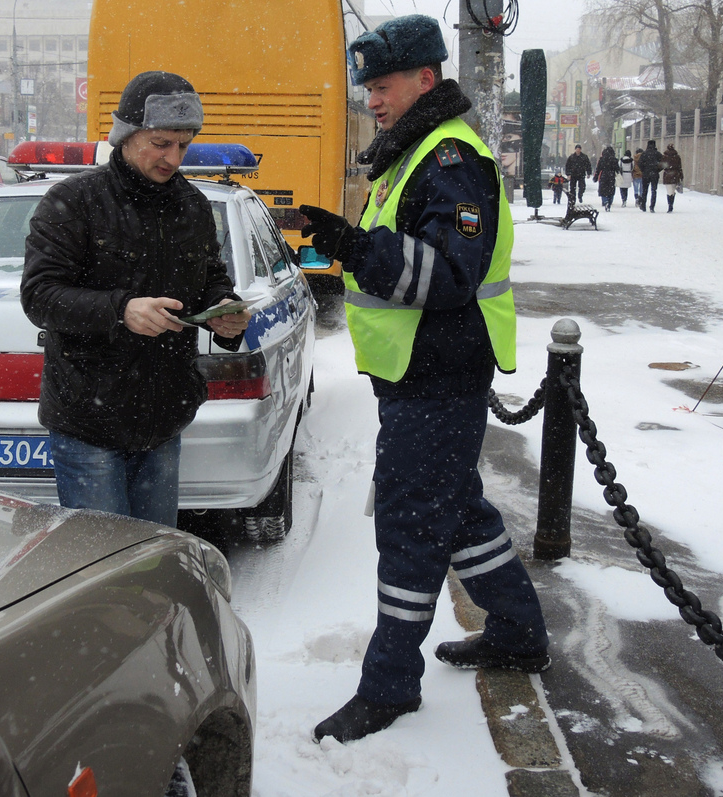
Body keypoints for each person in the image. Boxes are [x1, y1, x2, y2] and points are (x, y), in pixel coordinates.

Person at [298, 14, 549, 744]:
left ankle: (389, 685)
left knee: (411, 527)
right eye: (367, 87)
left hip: (439, 378)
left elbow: (444, 275)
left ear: (426, 80)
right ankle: (517, 631)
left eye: (382, 85)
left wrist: (354, 246)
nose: (371, 99)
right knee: (458, 510)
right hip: (421, 378)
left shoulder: (448, 159)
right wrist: (350, 243)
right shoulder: (415, 153)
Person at [20, 71, 250, 527]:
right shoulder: (74, 201)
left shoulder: (193, 206)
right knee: (101, 568)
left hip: (164, 420)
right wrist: (121, 310)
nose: (173, 158)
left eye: (183, 145)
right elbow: (40, 296)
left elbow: (209, 279)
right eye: (160, 143)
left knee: (152, 558)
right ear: (125, 136)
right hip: (90, 423)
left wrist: (224, 310)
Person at [592, 145, 620, 211]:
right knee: (611, 190)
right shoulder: (614, 160)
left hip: (604, 175)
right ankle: (609, 202)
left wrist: (596, 177)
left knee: (603, 190)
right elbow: (617, 169)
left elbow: (598, 169)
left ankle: (605, 201)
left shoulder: (602, 159)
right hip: (611, 176)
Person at [638, 139, 663, 212]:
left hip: (646, 174)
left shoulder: (644, 154)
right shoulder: (658, 154)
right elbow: (663, 163)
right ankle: (652, 206)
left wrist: (643, 170)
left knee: (644, 190)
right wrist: (657, 170)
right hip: (654, 174)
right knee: (654, 190)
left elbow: (640, 164)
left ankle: (643, 205)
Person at [661, 143, 684, 213]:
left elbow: (662, 166)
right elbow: (680, 167)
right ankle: (671, 203)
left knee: (669, 191)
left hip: (667, 175)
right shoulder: (677, 157)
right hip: (675, 175)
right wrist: (681, 175)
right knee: (673, 191)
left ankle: (669, 204)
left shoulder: (664, 157)